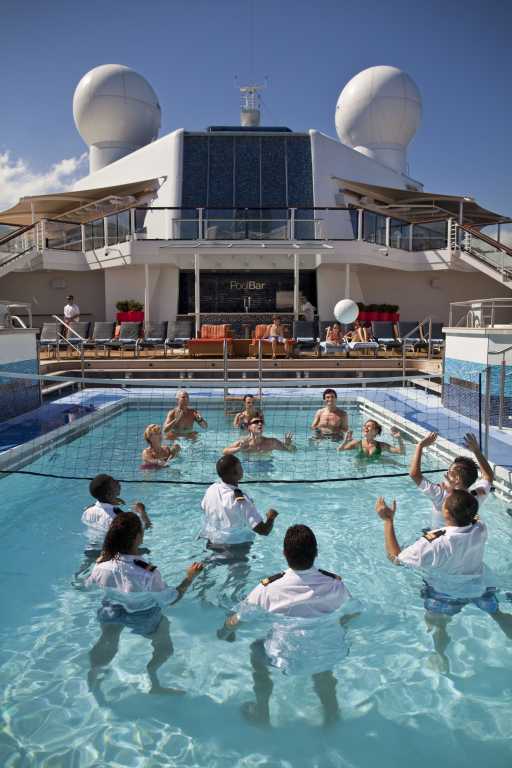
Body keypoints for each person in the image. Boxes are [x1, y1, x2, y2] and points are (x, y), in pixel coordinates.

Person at [218, 524, 356, 726]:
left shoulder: (268, 588)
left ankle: (262, 711)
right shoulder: (335, 584)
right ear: (316, 553)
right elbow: (352, 613)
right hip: (326, 653)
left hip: (286, 659)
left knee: (256, 648)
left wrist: (224, 631)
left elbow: (238, 619)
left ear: (284, 554)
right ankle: (331, 714)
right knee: (323, 661)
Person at [375, 492, 512, 671]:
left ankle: (440, 655)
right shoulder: (480, 528)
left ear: (445, 513)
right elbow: (473, 516)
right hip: (480, 588)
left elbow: (396, 559)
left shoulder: (435, 541)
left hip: (445, 595)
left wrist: (388, 521)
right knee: (497, 614)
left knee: (437, 624)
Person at [86, 512, 203, 697]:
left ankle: (94, 675)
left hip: (110, 610)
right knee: (165, 648)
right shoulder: (148, 572)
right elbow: (171, 599)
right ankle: (154, 683)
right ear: (137, 537)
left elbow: (89, 585)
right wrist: (189, 578)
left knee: (108, 641)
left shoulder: (100, 566)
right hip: (142, 614)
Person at [409, 431, 494, 529]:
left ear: (457, 479)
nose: (446, 474)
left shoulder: (441, 496)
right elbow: (488, 476)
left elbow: (414, 474)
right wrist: (477, 451)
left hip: (440, 536)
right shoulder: (475, 497)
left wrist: (420, 446)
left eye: (449, 472)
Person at [200, 455, 278, 549]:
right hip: (234, 546)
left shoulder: (211, 489)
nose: (242, 469)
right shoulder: (242, 501)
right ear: (235, 472)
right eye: (240, 466)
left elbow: (204, 508)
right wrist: (271, 517)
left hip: (211, 541)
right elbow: (264, 531)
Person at [81, 474, 152, 557]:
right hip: (112, 553)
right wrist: (142, 511)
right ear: (109, 494)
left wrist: (113, 499)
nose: (118, 482)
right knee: (147, 551)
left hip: (90, 551)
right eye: (114, 482)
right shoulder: (118, 517)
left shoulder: (87, 511)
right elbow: (143, 528)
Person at [223, 416, 295, 456]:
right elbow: (225, 451)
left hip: (267, 468)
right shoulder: (244, 442)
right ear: (249, 427)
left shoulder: (271, 442)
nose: (260, 424)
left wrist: (288, 444)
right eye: (256, 422)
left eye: (261, 422)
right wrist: (239, 448)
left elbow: (292, 451)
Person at [338, 418, 405, 457]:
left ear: (376, 431)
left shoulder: (381, 445)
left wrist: (399, 438)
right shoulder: (357, 443)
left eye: (369, 426)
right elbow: (340, 450)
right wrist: (345, 441)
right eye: (365, 426)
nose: (365, 427)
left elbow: (402, 452)